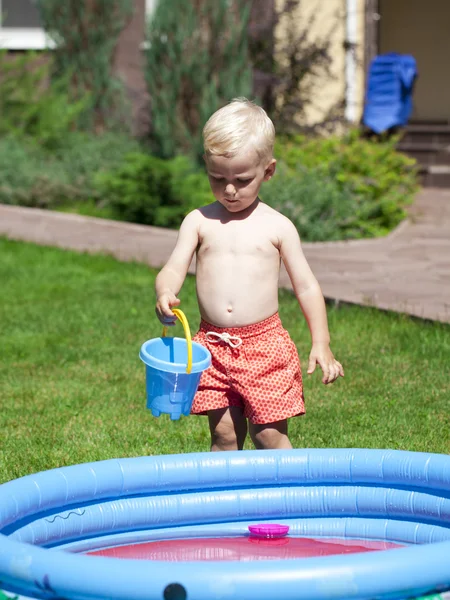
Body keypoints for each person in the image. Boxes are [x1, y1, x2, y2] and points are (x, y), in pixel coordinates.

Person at [155, 98, 344, 451]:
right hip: (211, 346)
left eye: (242, 180)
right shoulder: (199, 221)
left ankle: (288, 503)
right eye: (218, 178)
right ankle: (224, 506)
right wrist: (165, 291)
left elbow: (305, 285)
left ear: (267, 172)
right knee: (224, 435)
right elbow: (174, 267)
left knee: (269, 436)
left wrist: (322, 342)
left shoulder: (277, 227)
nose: (229, 190)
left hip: (265, 348)